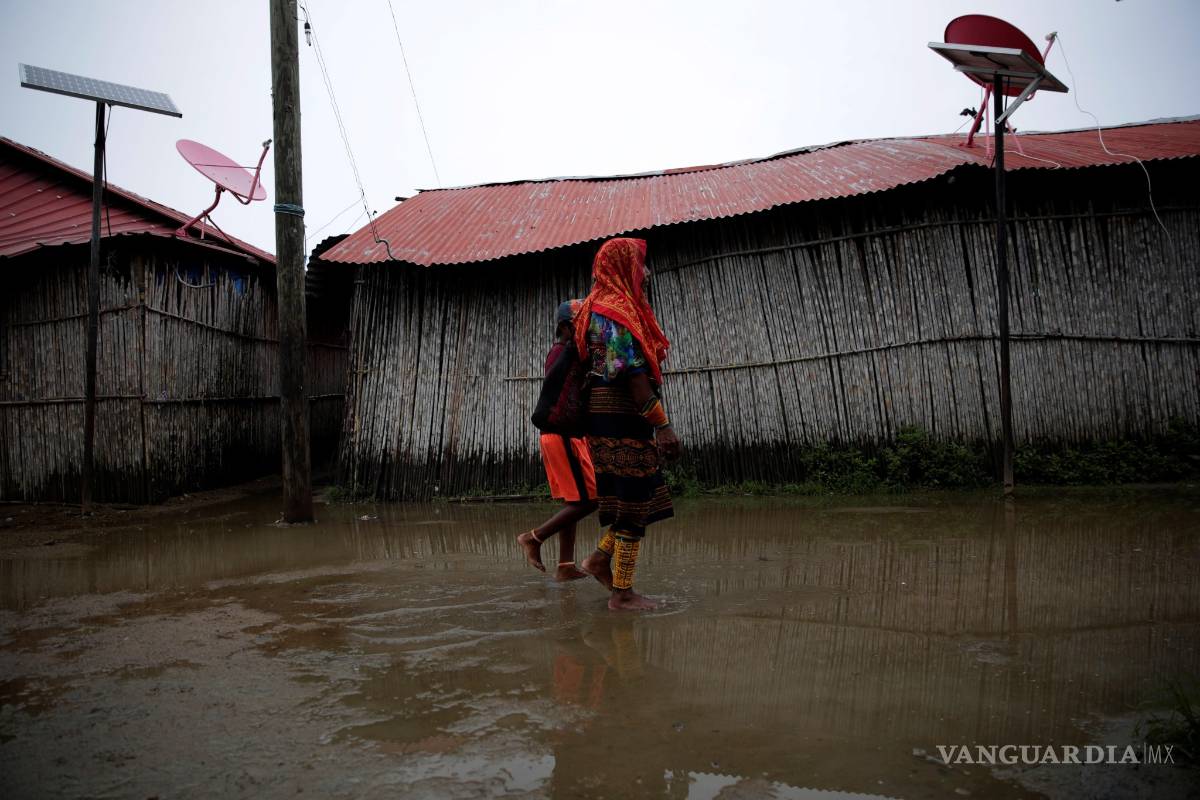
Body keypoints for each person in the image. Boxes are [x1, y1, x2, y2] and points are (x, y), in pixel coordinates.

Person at [574, 238, 680, 611]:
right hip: (620, 412)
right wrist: (663, 424)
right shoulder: (614, 310)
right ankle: (622, 594)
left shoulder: (593, 306)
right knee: (634, 501)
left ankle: (600, 560)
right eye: (640, 264)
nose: (646, 272)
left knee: (642, 492)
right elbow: (629, 370)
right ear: (622, 267)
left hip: (607, 413)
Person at [517, 299, 598, 581]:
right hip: (560, 433)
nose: (587, 330)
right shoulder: (561, 352)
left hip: (567, 434)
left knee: (576, 499)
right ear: (565, 327)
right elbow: (555, 390)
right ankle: (534, 538)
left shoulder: (573, 353)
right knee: (589, 500)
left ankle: (565, 566)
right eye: (581, 325)